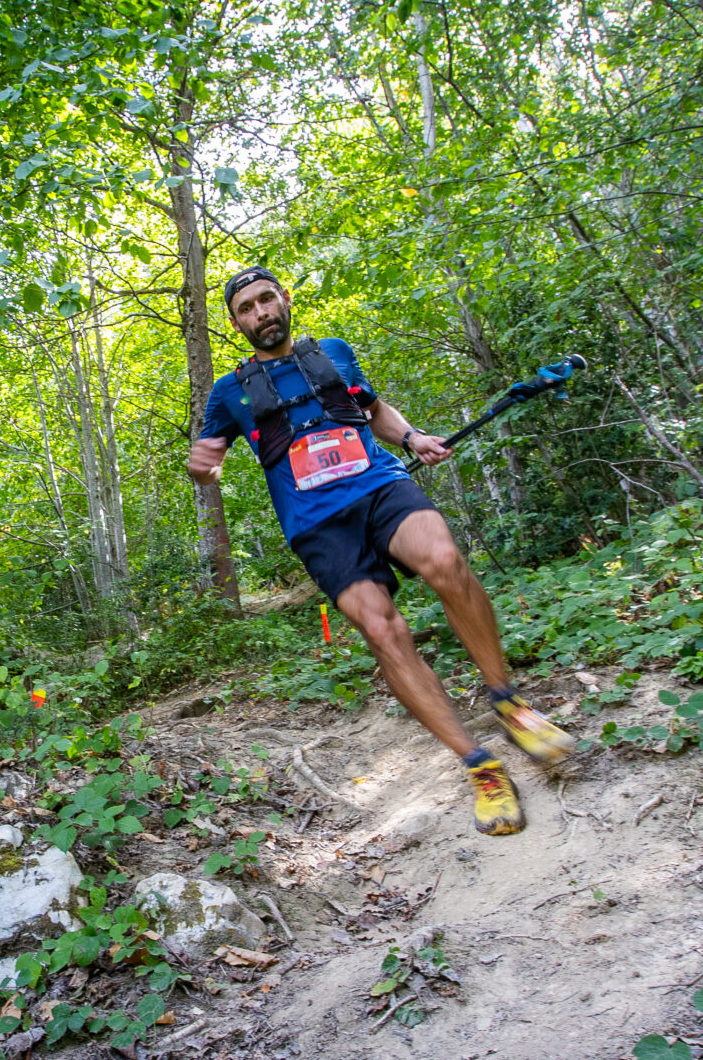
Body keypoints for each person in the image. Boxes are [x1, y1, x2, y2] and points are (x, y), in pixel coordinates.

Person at [185, 265, 573, 835]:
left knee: (444, 560)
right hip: (316, 524)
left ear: (284, 300)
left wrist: (413, 437)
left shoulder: (335, 353)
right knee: (382, 628)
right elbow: (209, 455)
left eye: (267, 300)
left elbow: (374, 412)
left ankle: (508, 702)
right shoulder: (230, 392)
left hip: (380, 486)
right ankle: (479, 764)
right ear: (236, 322)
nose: (261, 313)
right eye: (247, 308)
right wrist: (204, 469)